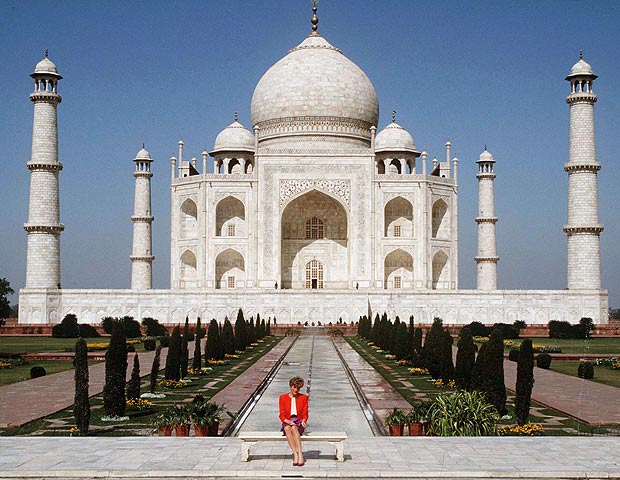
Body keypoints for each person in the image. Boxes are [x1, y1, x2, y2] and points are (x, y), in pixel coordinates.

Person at [279, 376, 308, 466]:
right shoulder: (283, 398)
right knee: (287, 428)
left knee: (294, 427)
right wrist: (287, 421)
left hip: (298, 421)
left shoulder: (303, 398)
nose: (296, 390)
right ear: (291, 386)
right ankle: (295, 454)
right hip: (287, 421)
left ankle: (300, 454)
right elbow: (281, 415)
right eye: (294, 387)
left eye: (298, 388)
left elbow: (305, 413)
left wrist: (304, 421)